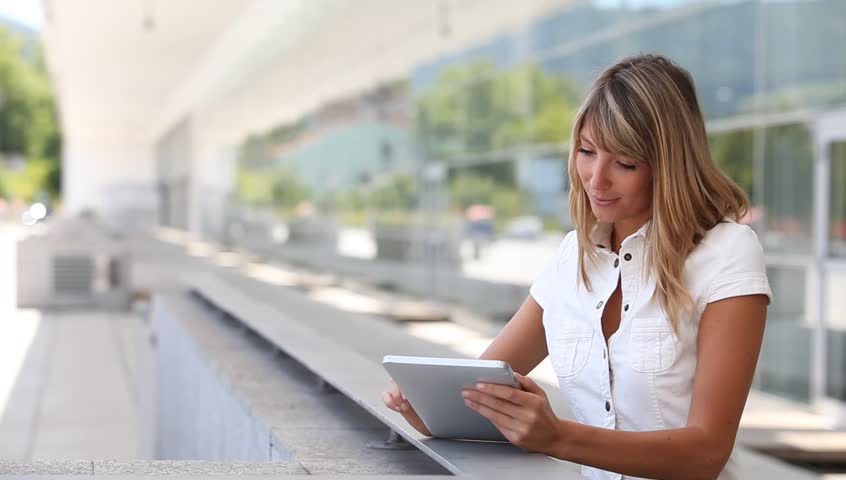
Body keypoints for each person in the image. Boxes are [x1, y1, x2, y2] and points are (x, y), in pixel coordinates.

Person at [382, 53, 771, 480]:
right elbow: (479, 393)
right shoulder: (573, 257)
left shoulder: (727, 253)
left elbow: (706, 452)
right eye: (587, 152)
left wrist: (557, 438)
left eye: (624, 163)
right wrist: (429, 412)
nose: (595, 179)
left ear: (670, 165)